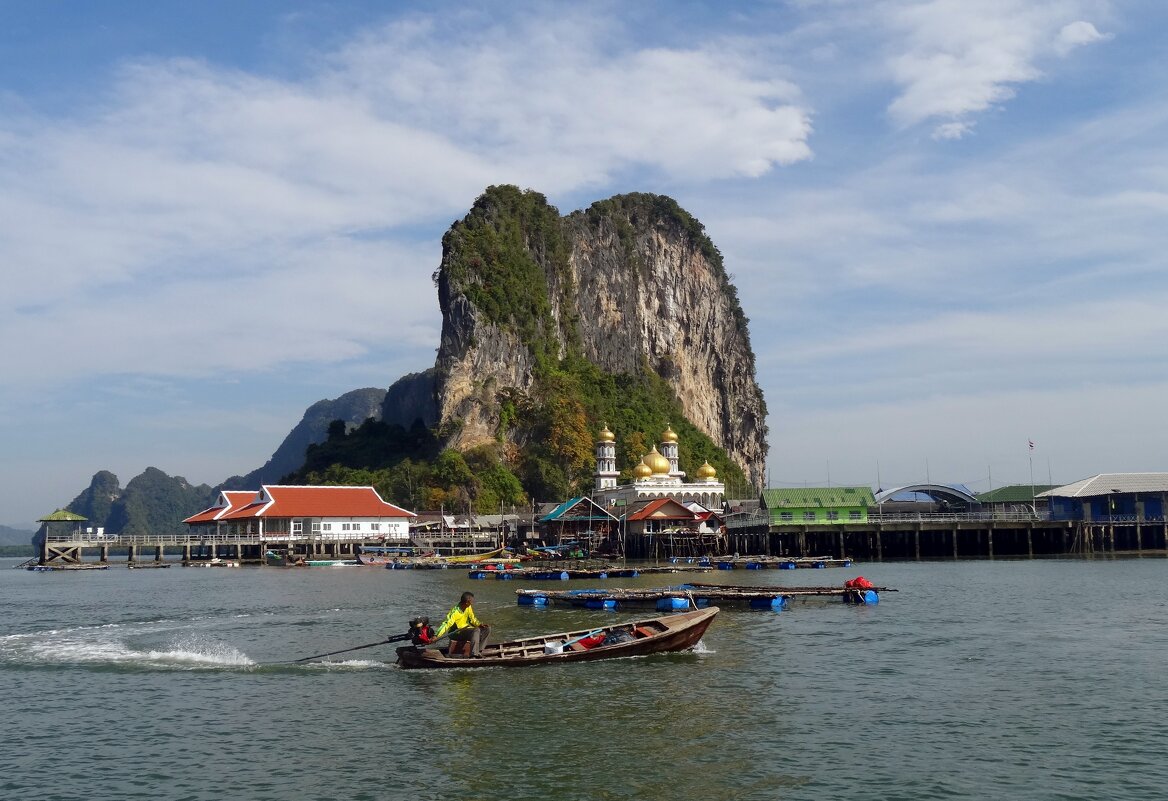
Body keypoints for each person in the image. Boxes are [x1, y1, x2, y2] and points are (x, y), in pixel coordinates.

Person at [434, 591, 490, 658]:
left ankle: (479, 650)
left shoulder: (468, 607)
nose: (472, 603)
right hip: (456, 633)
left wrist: (479, 624)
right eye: (471, 601)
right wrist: (436, 635)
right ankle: (474, 654)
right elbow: (446, 624)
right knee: (476, 630)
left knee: (487, 629)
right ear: (466, 602)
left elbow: (472, 619)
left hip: (466, 630)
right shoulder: (455, 612)